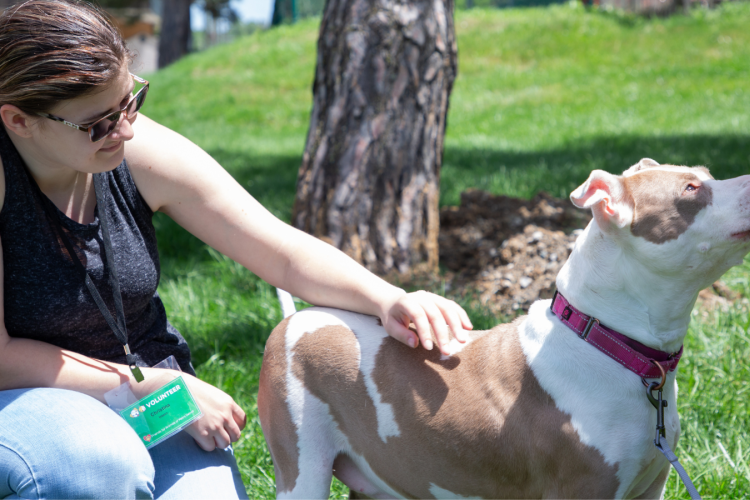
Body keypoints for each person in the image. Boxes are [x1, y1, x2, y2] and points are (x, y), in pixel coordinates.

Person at [0, 0, 473, 498]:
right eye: (97, 123)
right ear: (19, 121)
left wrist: (387, 298)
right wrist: (153, 386)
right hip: (26, 395)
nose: (127, 129)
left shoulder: (128, 149)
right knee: (98, 469)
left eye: (130, 101)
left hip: (149, 391)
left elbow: (277, 248)